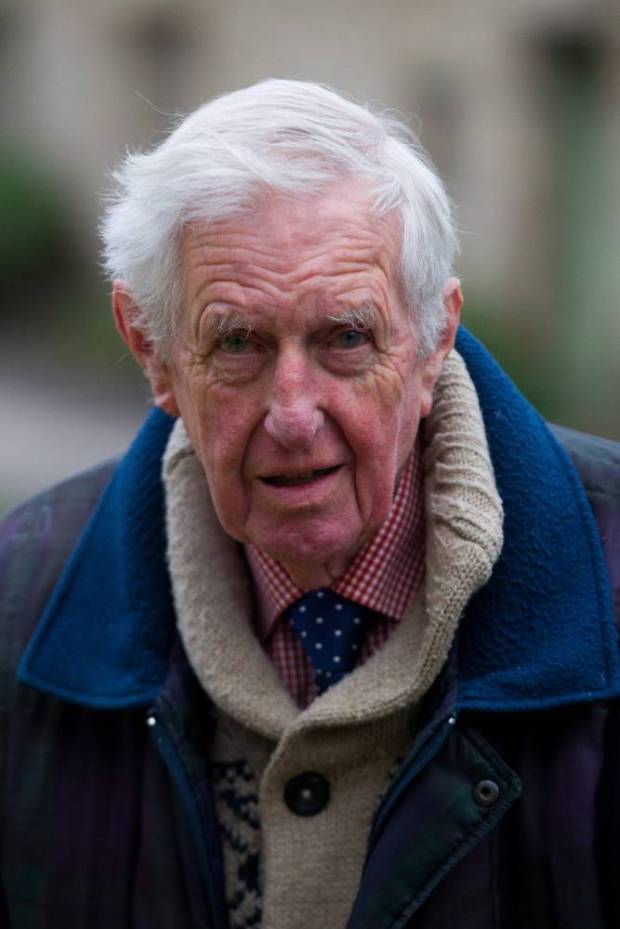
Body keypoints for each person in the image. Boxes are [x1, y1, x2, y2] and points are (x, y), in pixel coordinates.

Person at [0, 79, 619, 929]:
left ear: (434, 338)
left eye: (346, 337)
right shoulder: (21, 603)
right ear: (152, 349)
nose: (294, 413)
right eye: (240, 343)